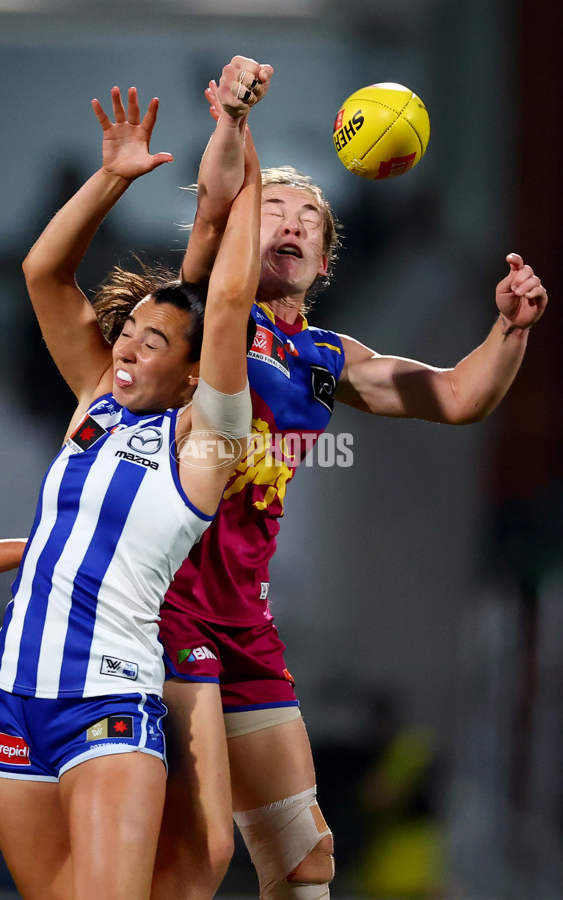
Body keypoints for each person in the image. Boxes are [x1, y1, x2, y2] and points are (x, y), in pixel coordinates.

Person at [147, 57, 549, 900]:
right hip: (159, 602)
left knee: (306, 862)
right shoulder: (198, 313)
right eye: (274, 213)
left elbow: (454, 396)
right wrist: (234, 123)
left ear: (326, 263)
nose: (288, 225)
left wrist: (507, 331)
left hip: (244, 619)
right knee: (195, 854)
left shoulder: (329, 359)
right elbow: (221, 196)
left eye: (308, 222)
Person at [0, 84, 260, 900]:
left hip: (106, 700)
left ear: (193, 372)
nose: (129, 347)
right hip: (10, 697)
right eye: (128, 329)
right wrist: (114, 178)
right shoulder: (96, 401)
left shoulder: (201, 441)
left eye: (154, 340)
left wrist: (236, 131)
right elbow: (42, 272)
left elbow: (232, 299)